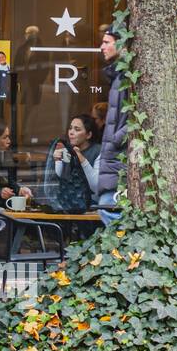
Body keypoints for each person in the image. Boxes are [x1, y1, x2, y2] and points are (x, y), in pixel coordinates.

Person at [96, 27, 127, 227]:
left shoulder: (127, 76)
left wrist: (115, 141)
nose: (102, 47)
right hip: (115, 154)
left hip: (120, 155)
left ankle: (126, 254)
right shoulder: (119, 75)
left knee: (107, 206)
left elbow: (138, 119)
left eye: (107, 42)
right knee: (107, 206)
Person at [42, 114, 101, 214]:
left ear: (88, 135)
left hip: (93, 207)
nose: (71, 132)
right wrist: (57, 161)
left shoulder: (98, 151)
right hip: (69, 205)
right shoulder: (66, 150)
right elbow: (59, 181)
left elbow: (95, 186)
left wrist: (80, 158)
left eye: (77, 129)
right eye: (70, 128)